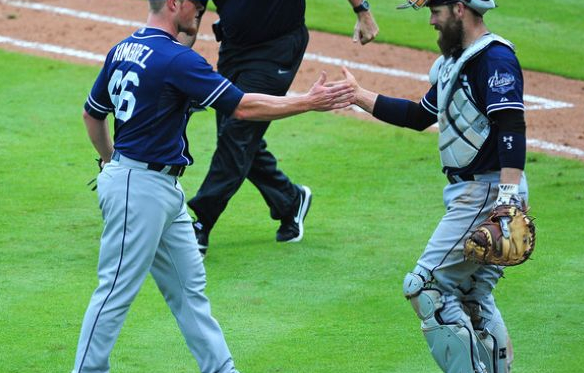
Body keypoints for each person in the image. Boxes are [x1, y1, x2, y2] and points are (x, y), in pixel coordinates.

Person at [72, 0, 352, 372]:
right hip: (138, 189)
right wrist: (306, 101)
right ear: (174, 4)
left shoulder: (123, 48)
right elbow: (242, 107)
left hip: (160, 189)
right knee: (114, 292)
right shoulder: (177, 59)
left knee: (190, 291)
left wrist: (110, 160)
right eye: (196, 4)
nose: (202, 10)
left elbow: (93, 114)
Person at [342, 0, 527, 372]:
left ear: (459, 9)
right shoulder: (455, 63)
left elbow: (510, 126)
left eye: (436, 12)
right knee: (472, 294)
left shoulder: (494, 60)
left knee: (426, 288)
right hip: (477, 194)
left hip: (488, 194)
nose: (430, 21)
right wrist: (358, 96)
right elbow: (418, 115)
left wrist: (507, 202)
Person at [182, 0, 379, 255]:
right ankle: (290, 201)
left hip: (278, 47)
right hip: (233, 48)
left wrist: (362, 10)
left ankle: (201, 223)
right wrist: (173, 57)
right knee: (238, 138)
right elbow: (191, 15)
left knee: (237, 134)